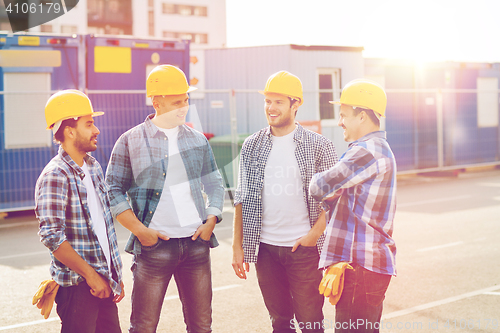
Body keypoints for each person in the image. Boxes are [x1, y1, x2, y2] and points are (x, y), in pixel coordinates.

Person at [106, 64, 225, 333]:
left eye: (186, 100)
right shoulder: (130, 141)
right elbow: (112, 189)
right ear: (156, 101)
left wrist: (211, 218)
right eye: (176, 102)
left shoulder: (198, 140)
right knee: (144, 327)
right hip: (152, 249)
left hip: (196, 245)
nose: (184, 107)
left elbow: (215, 182)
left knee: (201, 326)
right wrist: (140, 231)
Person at [232, 71, 338, 333]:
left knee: (311, 323)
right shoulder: (252, 145)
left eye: (278, 102)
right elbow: (242, 197)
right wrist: (237, 245)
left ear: (296, 103)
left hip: (304, 250)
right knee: (280, 324)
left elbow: (334, 201)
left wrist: (313, 236)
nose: (271, 108)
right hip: (265, 250)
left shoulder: (319, 146)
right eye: (268, 101)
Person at [309, 79, 397, 333]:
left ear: (361, 116)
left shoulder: (366, 152)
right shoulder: (377, 149)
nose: (339, 122)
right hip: (366, 266)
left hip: (360, 268)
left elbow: (319, 188)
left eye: (344, 115)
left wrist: (321, 181)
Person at [35, 89, 124, 333]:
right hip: (78, 288)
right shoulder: (55, 175)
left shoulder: (93, 167)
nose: (96, 130)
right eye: (89, 123)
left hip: (102, 281)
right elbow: (52, 237)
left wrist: (113, 276)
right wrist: (91, 276)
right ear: (70, 131)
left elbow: (102, 227)